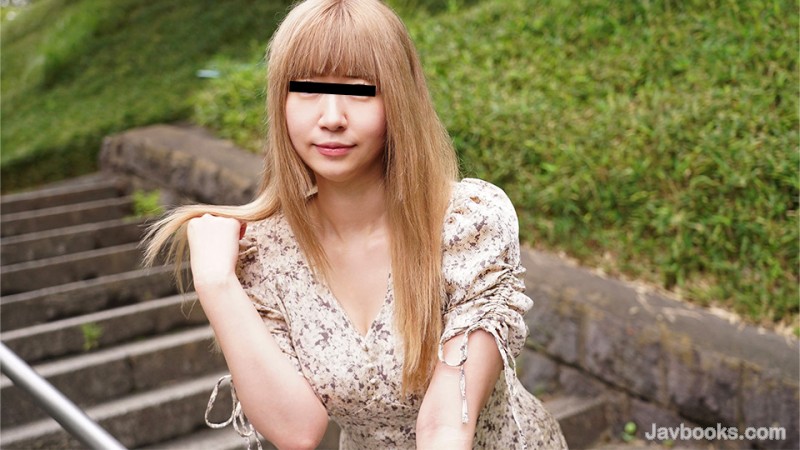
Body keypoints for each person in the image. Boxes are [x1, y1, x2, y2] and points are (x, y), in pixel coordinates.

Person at [144, 0, 567, 448]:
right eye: (307, 90)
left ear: (399, 99)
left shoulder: (467, 223)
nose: (331, 118)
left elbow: (445, 425)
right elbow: (297, 431)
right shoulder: (265, 254)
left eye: (359, 90)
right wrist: (216, 285)